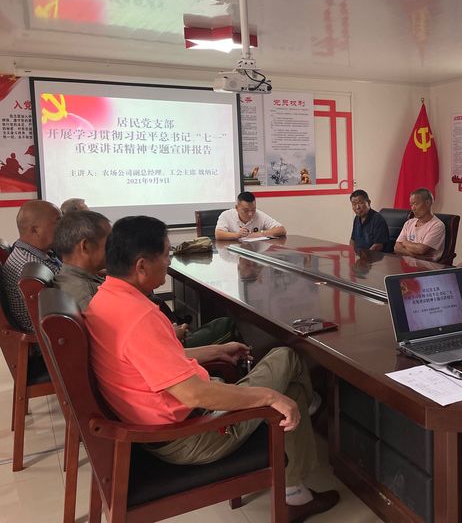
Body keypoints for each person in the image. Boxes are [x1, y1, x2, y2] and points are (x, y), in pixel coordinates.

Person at [83, 216, 338, 520]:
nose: (168, 261)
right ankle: (309, 413)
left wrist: (216, 350)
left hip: (160, 425)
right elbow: (194, 395)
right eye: (165, 255)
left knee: (290, 391)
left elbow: (150, 360)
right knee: (287, 359)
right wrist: (269, 397)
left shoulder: (106, 300)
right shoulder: (139, 317)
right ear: (141, 266)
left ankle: (295, 490)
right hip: (191, 435)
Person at [52, 211, 236, 347]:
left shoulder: (76, 279)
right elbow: (120, 341)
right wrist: (168, 333)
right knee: (226, 325)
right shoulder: (82, 293)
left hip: (155, 342)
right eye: (109, 243)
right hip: (158, 350)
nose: (115, 248)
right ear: (85, 247)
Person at [1, 200, 62, 332]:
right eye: (58, 222)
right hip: (44, 337)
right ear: (35, 230)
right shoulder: (31, 265)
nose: (64, 227)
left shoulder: (33, 252)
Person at [393, 188, 445, 262]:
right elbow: (397, 247)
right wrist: (414, 255)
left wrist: (405, 243)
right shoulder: (409, 223)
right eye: (411, 205)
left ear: (428, 203)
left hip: (427, 266)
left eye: (415, 204)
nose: (413, 208)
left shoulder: (437, 225)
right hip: (407, 264)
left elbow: (421, 250)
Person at [215, 191, 286, 240]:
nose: (250, 214)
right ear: (237, 208)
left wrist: (260, 234)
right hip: (233, 252)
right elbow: (218, 234)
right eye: (246, 210)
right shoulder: (226, 215)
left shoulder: (259, 215)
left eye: (253, 209)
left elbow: (281, 230)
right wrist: (238, 235)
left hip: (254, 251)